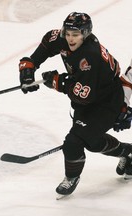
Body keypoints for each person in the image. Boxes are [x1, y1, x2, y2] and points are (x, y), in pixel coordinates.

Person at [18, 12, 132, 196]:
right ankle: (129, 153)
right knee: (92, 142)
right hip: (88, 95)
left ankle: (71, 177)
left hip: (106, 102)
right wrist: (30, 65)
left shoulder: (90, 56)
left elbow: (84, 96)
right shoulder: (64, 37)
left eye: (76, 35)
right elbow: (48, 42)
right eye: (68, 33)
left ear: (85, 34)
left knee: (73, 142)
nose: (70, 38)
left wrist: (58, 81)